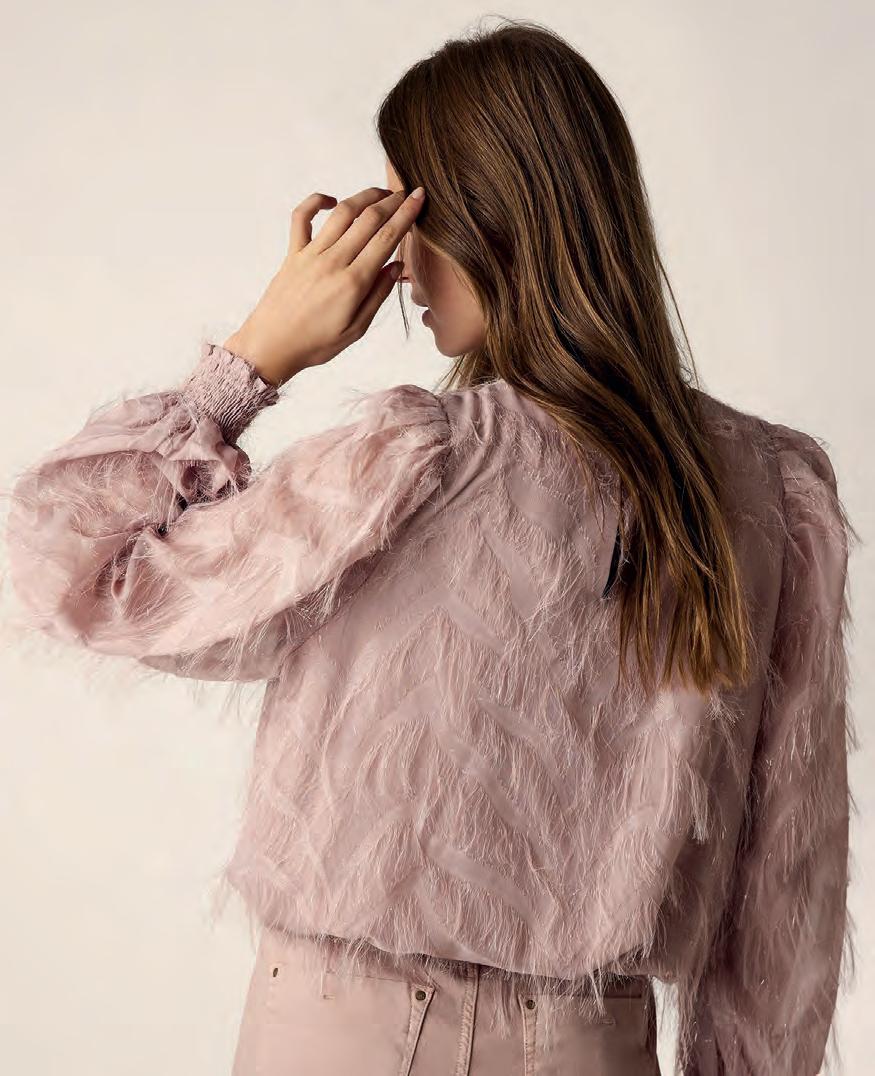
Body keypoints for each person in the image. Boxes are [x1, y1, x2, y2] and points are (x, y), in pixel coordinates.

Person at [2, 18, 856, 1076]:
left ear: (486, 217)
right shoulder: (766, 489)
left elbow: (72, 567)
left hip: (341, 1034)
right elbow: (785, 888)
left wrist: (255, 355)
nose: (398, 259)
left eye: (409, 208)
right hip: (591, 1046)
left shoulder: (410, 460)